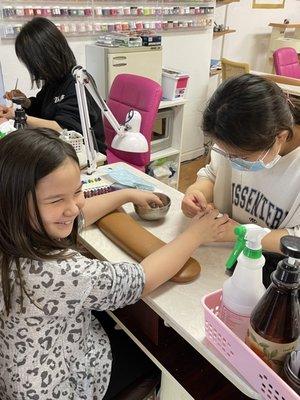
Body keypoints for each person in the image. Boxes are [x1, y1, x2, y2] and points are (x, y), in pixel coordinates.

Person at [0, 128, 228, 400]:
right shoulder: (53, 271)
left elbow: (78, 216)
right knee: (154, 359)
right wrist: (196, 235)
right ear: (14, 202)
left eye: (77, 191)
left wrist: (127, 195)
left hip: (16, 369)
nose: (73, 207)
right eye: (56, 200)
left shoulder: (14, 228)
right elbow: (140, 279)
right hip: (56, 384)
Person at [182, 74, 300, 253]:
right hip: (227, 250)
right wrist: (197, 192)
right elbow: (212, 174)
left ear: (280, 137)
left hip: (274, 266)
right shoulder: (234, 135)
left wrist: (240, 233)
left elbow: (296, 239)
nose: (231, 161)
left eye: (242, 158)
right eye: (225, 153)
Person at [0, 17, 106, 153]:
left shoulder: (78, 82)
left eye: (30, 62)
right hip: (57, 146)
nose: (32, 68)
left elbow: (64, 129)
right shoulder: (54, 80)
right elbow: (43, 109)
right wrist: (25, 102)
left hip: (86, 153)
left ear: (45, 56)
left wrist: (17, 115)